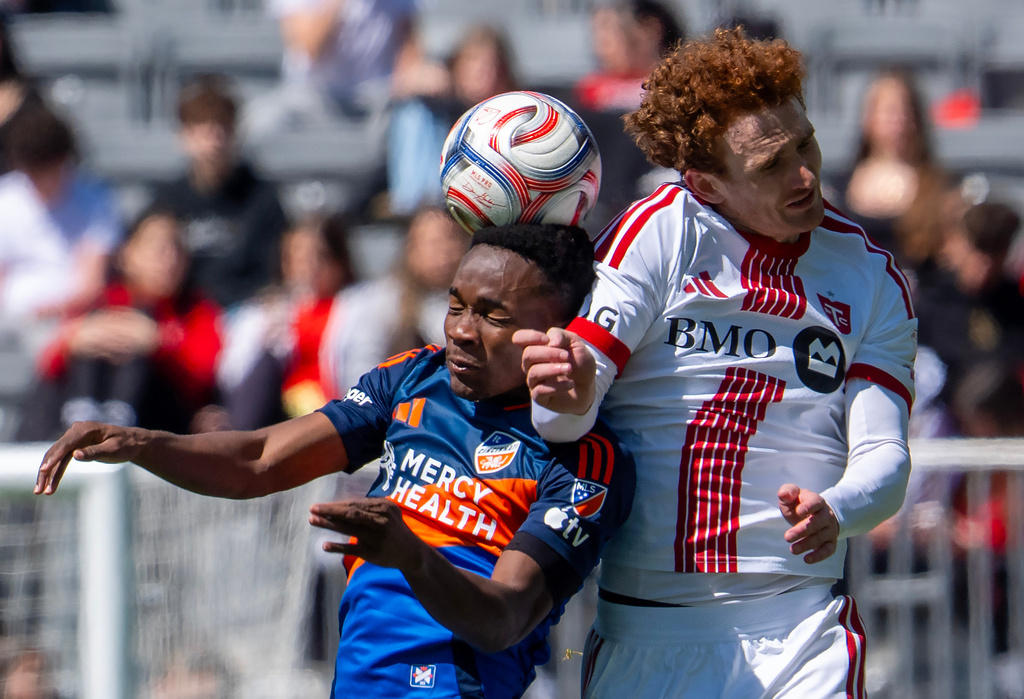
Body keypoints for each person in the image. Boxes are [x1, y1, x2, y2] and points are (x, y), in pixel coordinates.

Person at [35, 223, 636, 699]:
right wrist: (145, 443)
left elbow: (503, 618)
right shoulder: (413, 380)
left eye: (493, 314)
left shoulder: (586, 459)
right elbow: (262, 458)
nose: (462, 330)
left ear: (556, 332)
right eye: (455, 305)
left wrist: (409, 556)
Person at [516, 28, 916, 697]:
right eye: (770, 166)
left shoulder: (871, 275)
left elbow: (887, 455)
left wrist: (839, 509)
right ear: (706, 183)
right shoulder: (660, 233)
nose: (806, 175)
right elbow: (561, 419)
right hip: (646, 631)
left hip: (800, 624)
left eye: (805, 143)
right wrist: (565, 393)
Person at [16, 207, 221, 441]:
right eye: (158, 248)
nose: (169, 258)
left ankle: (117, 420)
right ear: (127, 255)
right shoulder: (100, 302)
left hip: (156, 423)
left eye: (177, 248)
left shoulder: (196, 309)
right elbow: (48, 363)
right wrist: (73, 341)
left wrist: (158, 342)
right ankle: (78, 421)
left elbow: (204, 376)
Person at [152, 76, 287, 311]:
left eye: (222, 129)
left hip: (247, 311)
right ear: (183, 136)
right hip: (184, 315)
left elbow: (274, 273)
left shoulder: (262, 198)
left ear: (235, 133)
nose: (213, 142)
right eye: (202, 130)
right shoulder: (167, 201)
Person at [218, 213, 359, 429]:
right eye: (299, 258)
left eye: (319, 256)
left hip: (330, 413)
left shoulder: (359, 308)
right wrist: (266, 337)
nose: (309, 267)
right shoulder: (265, 311)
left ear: (339, 260)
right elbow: (232, 375)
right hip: (277, 412)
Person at [323, 204, 468, 395]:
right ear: (411, 247)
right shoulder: (380, 302)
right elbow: (358, 372)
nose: (445, 253)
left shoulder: (473, 300)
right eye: (433, 243)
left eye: (451, 240)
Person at [0, 102, 121, 319]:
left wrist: (56, 311)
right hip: (11, 324)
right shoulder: (5, 199)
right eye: (33, 174)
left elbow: (92, 282)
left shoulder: (95, 199)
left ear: (64, 160)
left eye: (49, 171)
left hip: (75, 321)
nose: (42, 182)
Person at [386, 24, 519, 218]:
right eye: (473, 61)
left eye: (491, 64)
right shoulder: (436, 110)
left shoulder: (515, 114)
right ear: (457, 64)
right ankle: (418, 207)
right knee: (414, 113)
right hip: (439, 197)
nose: (483, 72)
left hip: (496, 201)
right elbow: (392, 87)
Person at [827, 69, 952, 275]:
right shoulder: (841, 185)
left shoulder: (937, 185)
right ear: (869, 117)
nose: (899, 120)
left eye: (906, 111)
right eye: (889, 111)